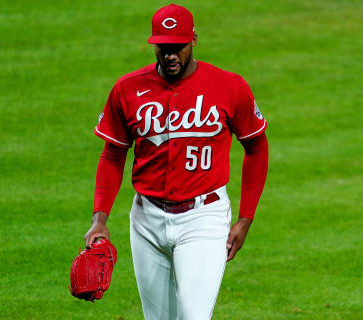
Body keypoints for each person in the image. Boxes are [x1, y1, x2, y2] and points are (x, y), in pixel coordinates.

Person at [84, 4, 268, 320]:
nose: (170, 55)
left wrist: (245, 218)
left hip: (203, 219)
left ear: (193, 40)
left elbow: (256, 148)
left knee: (193, 317)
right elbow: (113, 154)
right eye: (163, 47)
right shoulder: (127, 88)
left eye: (178, 47)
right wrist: (99, 218)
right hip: (146, 220)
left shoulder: (229, 86)